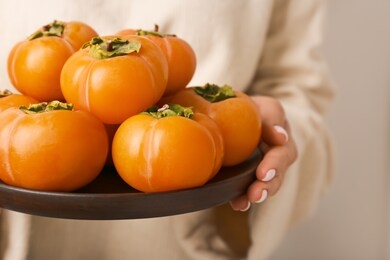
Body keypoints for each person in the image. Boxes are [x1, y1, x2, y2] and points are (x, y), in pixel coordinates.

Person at [0, 0, 335, 259]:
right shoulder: (139, 61)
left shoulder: (125, 64)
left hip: (192, 240)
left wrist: (266, 125)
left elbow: (296, 86)